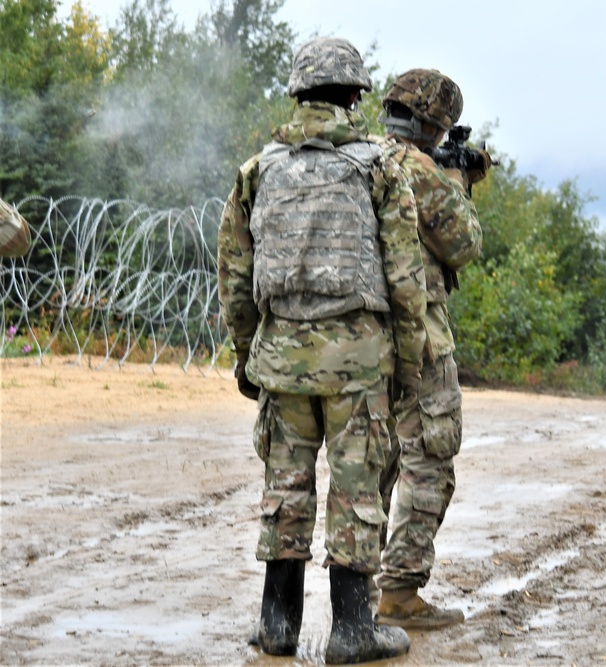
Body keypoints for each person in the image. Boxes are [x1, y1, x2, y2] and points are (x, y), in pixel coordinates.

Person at [217, 36, 425, 664]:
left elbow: (233, 274)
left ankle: (276, 625)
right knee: (357, 492)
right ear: (356, 96)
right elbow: (406, 277)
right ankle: (353, 631)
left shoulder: (259, 170)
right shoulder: (379, 167)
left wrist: (250, 355)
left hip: (282, 358)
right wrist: (409, 365)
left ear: (299, 93)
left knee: (285, 488)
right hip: (359, 361)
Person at [374, 68, 488, 629]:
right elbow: (463, 244)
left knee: (373, 461)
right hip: (420, 338)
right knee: (430, 458)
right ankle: (397, 593)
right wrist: (459, 185)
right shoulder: (417, 169)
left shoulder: (359, 157)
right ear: (434, 126)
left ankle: (355, 582)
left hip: (363, 337)